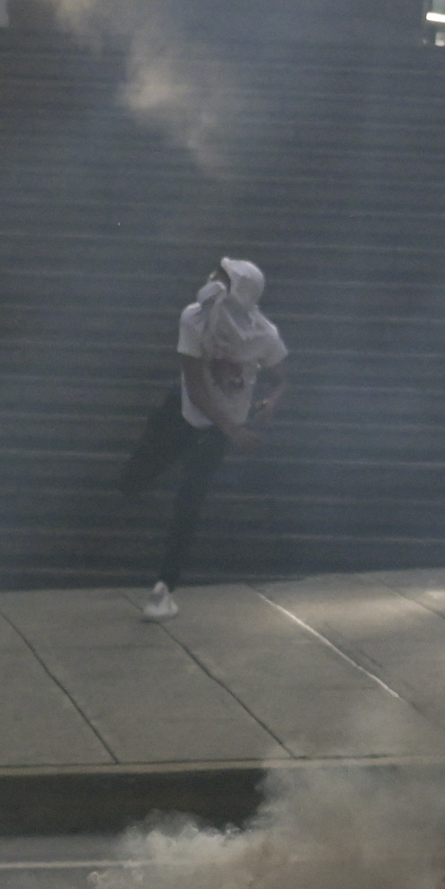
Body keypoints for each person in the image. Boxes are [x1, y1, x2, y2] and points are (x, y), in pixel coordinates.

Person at [122, 257, 286, 625]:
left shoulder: (264, 334)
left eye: (221, 276)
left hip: (219, 427)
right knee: (133, 481)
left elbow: (284, 376)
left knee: (190, 502)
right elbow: (196, 389)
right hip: (183, 413)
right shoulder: (194, 318)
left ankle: (164, 588)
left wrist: (271, 404)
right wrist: (236, 432)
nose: (212, 279)